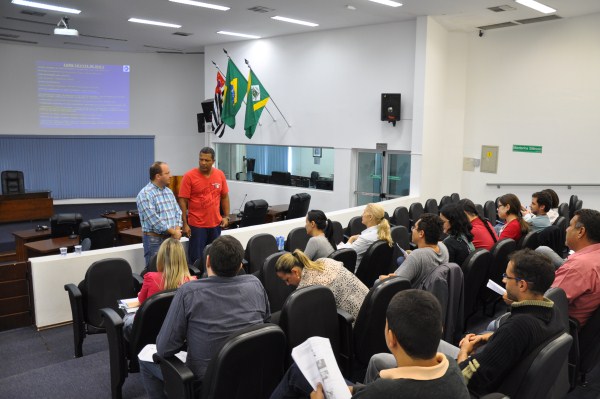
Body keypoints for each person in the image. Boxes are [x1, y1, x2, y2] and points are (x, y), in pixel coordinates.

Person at [368, 249, 563, 396]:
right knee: (433, 342)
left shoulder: (517, 327)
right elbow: (520, 338)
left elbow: (469, 379)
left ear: (522, 285)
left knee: (380, 361)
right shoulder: (551, 310)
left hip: (469, 387)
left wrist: (464, 352)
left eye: (507, 277)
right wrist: (489, 337)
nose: (504, 281)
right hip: (495, 368)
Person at [270, 289, 470, 399]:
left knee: (297, 373)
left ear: (391, 338)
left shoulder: (382, 392)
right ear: (439, 330)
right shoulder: (454, 370)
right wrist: (356, 391)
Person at [139, 235, 270, 399]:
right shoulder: (255, 283)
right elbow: (265, 322)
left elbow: (165, 349)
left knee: (145, 358)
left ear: (207, 262)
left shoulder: (189, 292)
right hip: (250, 376)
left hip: (205, 384)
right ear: (239, 266)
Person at [537, 209, 600, 327]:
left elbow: (541, 305)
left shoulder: (577, 267)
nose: (566, 229)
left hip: (558, 327)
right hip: (586, 330)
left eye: (570, 225)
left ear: (581, 231)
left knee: (494, 325)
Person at [123, 238, 196, 339]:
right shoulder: (193, 281)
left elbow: (141, 301)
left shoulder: (151, 277)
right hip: (177, 331)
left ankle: (126, 352)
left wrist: (140, 293)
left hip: (150, 328)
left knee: (126, 318)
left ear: (161, 257)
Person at [275, 249, 368, 321]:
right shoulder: (324, 261)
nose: (287, 284)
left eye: (287, 279)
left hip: (357, 322)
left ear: (295, 271)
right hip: (371, 306)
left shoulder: (306, 289)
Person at [178, 147, 230, 264]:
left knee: (215, 259)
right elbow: (182, 201)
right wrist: (184, 224)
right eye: (201, 159)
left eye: (207, 160)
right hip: (197, 226)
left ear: (213, 161)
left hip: (215, 225)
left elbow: (225, 197)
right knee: (197, 260)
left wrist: (226, 216)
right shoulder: (189, 176)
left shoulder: (220, 174)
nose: (203, 163)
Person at [380, 213, 449, 287]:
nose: (412, 230)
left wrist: (382, 278)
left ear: (421, 233)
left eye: (414, 228)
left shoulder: (417, 256)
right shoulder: (443, 247)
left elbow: (395, 283)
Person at [136, 161, 182, 266]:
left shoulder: (168, 192)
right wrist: (174, 232)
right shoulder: (145, 194)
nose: (170, 176)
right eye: (167, 173)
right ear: (158, 176)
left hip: (171, 238)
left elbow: (178, 212)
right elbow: (154, 220)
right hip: (155, 241)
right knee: (155, 272)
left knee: (172, 271)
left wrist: (178, 229)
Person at [338, 203, 393, 272]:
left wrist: (350, 240)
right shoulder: (382, 233)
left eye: (364, 212)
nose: (362, 215)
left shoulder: (366, 238)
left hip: (354, 273)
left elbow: (345, 254)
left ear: (370, 217)